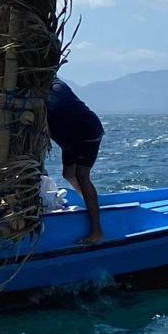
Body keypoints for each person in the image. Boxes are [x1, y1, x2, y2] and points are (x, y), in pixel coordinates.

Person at [46, 76, 106, 245]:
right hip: (68, 140)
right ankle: (90, 202)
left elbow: (52, 101)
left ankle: (96, 231)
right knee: (68, 174)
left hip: (87, 132)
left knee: (82, 175)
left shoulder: (56, 86)